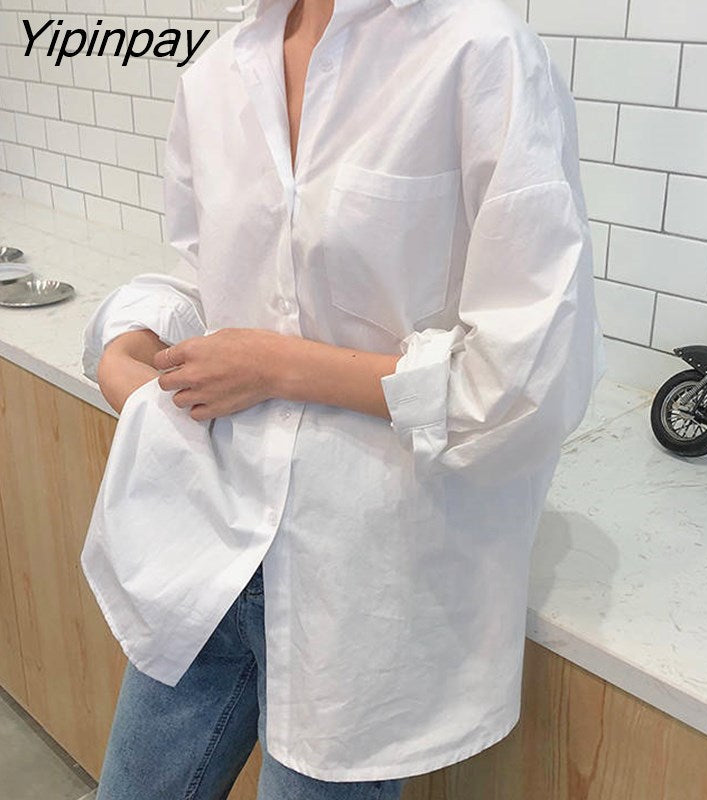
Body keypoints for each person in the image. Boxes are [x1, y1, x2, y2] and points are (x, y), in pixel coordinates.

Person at [79, 0, 606, 797]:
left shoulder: (477, 52)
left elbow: (529, 378)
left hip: (364, 579)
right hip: (211, 532)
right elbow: (216, 281)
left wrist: (282, 368)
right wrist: (132, 340)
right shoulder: (219, 72)